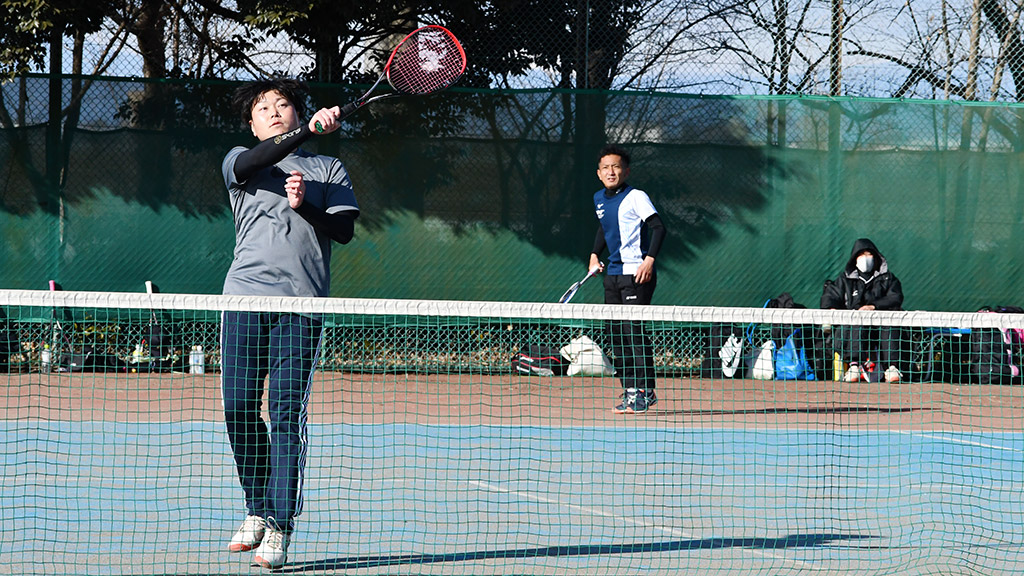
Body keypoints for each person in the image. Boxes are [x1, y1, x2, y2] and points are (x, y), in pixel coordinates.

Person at [220, 78, 359, 569]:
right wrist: (306, 134)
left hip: (302, 307)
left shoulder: (329, 167)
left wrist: (307, 207)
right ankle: (256, 508)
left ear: (299, 113)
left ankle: (279, 525)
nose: (274, 112)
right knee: (238, 408)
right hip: (243, 302)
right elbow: (257, 160)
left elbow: (343, 230)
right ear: (252, 123)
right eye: (264, 108)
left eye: (284, 105)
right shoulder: (240, 161)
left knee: (284, 414)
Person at [588, 144, 667, 413]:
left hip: (637, 274)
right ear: (599, 173)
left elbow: (658, 227)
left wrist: (649, 259)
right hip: (611, 275)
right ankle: (631, 390)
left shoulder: (636, 196)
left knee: (633, 332)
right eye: (606, 168)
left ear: (626, 170)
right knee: (616, 335)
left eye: (616, 166)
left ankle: (646, 390)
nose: (611, 171)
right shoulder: (599, 197)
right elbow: (604, 228)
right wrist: (594, 255)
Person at [821, 238, 905, 383]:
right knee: (856, 321)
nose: (866, 259)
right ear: (855, 258)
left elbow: (895, 297)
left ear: (876, 257)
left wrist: (873, 306)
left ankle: (891, 368)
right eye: (861, 255)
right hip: (854, 325)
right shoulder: (844, 279)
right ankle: (854, 366)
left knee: (890, 324)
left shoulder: (887, 278)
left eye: (869, 255)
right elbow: (831, 295)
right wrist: (831, 308)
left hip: (881, 326)